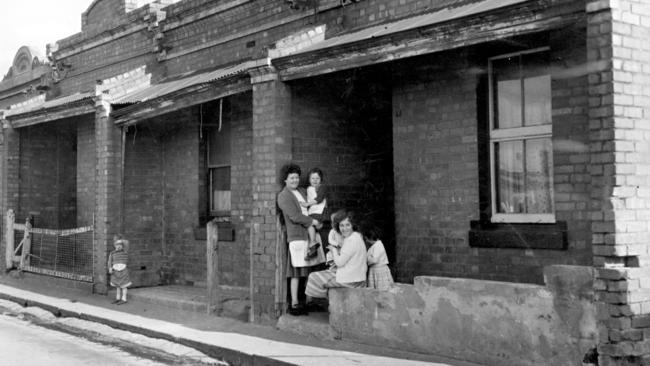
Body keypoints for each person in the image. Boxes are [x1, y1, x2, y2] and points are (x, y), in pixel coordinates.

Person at [277, 163, 324, 316]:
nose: (295, 180)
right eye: (292, 178)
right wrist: (313, 222)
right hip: (297, 235)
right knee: (296, 271)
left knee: (310, 269)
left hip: (309, 235)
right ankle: (295, 303)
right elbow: (294, 216)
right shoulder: (283, 196)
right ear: (285, 180)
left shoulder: (302, 192)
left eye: (297, 177)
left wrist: (318, 220)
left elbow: (313, 206)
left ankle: (309, 301)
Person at [305, 210, 367, 304]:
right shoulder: (357, 236)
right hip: (357, 276)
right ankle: (329, 300)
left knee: (313, 277)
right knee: (328, 272)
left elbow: (339, 262)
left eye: (347, 225)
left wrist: (333, 250)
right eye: (342, 225)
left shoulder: (351, 240)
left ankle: (326, 301)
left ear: (352, 225)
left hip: (351, 280)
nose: (344, 228)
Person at [301, 168, 328, 260]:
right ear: (309, 179)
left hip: (319, 212)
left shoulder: (322, 187)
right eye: (313, 178)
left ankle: (313, 243)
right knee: (310, 225)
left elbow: (319, 198)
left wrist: (307, 204)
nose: (315, 180)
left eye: (317, 178)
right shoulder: (308, 189)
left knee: (309, 223)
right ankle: (313, 247)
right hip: (312, 212)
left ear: (321, 179)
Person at [361, 223, 394, 290]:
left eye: (366, 239)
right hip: (374, 270)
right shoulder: (373, 247)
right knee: (374, 290)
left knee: (381, 288)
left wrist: (367, 260)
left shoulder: (378, 246)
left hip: (379, 271)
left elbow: (374, 260)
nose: (366, 241)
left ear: (370, 238)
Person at [108, 235, 132, 305]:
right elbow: (109, 261)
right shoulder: (112, 253)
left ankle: (124, 299)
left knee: (124, 286)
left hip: (123, 271)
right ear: (114, 246)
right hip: (115, 271)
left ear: (122, 246)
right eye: (116, 245)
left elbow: (127, 243)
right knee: (117, 286)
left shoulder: (125, 252)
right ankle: (117, 298)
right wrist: (110, 268)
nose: (118, 246)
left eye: (120, 245)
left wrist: (120, 240)